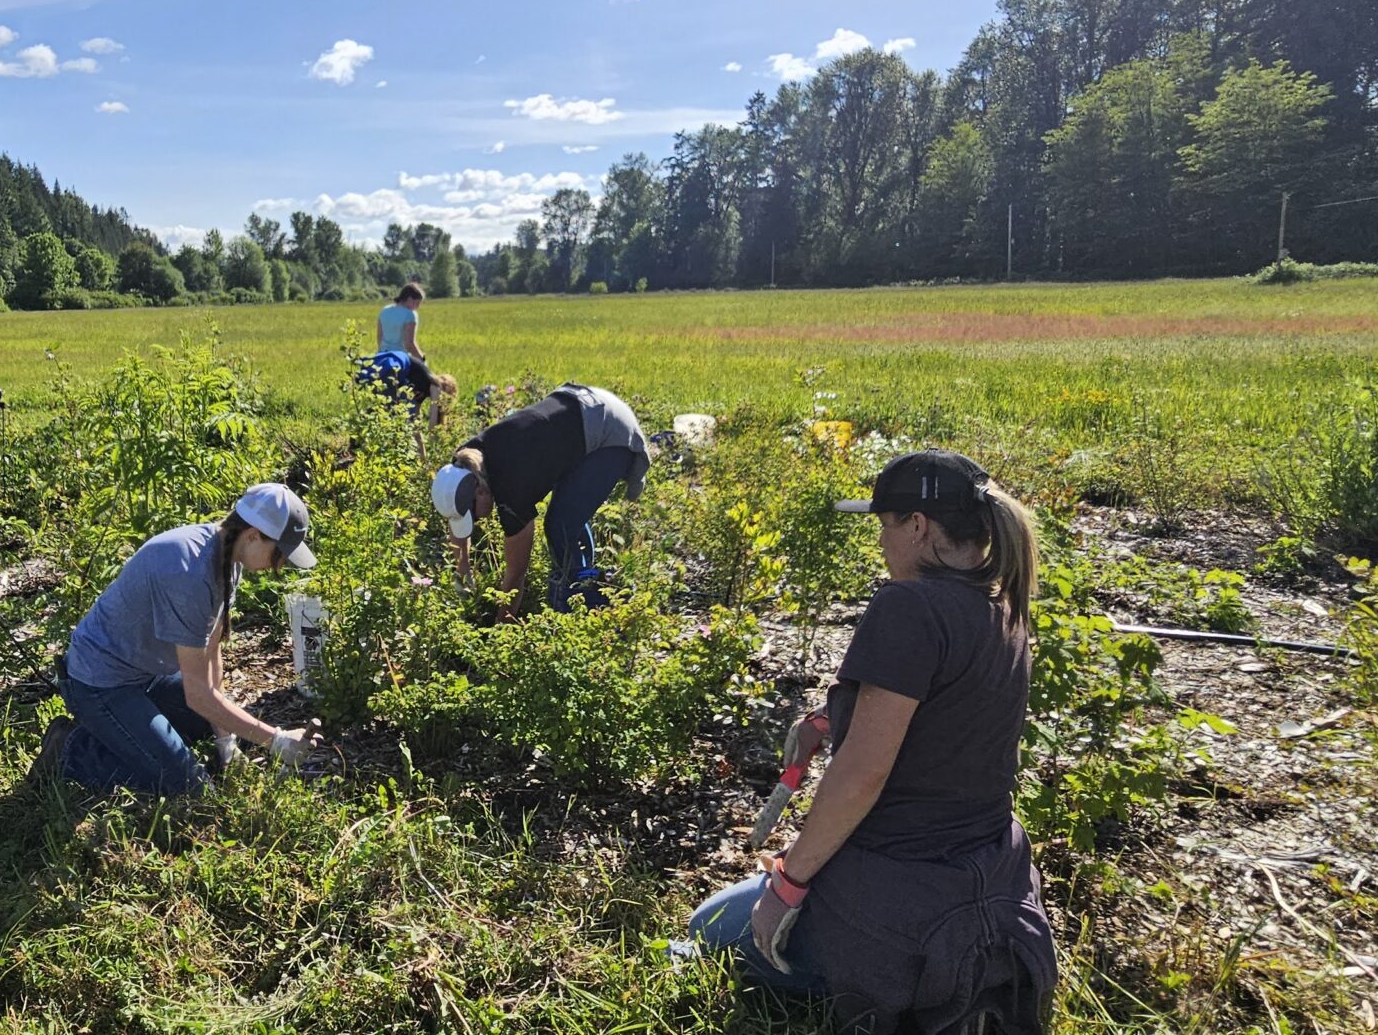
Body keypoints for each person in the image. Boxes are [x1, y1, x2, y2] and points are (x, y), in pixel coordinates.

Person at [685, 450, 1057, 1034]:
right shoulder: (1002, 608)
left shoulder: (908, 606)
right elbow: (947, 715)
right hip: (988, 879)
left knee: (708, 928)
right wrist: (834, 719)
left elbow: (862, 775)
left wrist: (789, 883)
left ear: (918, 526)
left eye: (885, 525)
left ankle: (869, 976)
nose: (881, 542)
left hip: (899, 892)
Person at [33, 483, 325, 796]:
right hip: (98, 684)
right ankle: (71, 750)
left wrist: (226, 742)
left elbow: (211, 652)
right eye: (279, 553)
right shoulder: (189, 571)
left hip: (145, 675)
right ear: (253, 535)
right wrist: (276, 740)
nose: (279, 565)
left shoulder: (229, 556)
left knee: (224, 731)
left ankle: (136, 732)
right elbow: (198, 695)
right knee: (187, 787)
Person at [428, 383, 647, 615]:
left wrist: (502, 632)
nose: (477, 522)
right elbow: (458, 510)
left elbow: (516, 574)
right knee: (568, 513)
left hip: (607, 428)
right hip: (579, 408)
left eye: (473, 516)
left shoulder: (512, 487)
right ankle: (582, 578)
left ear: (480, 492)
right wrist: (463, 574)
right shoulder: (466, 460)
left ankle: (577, 600)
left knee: (561, 524)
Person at [353, 350, 458, 427]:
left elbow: (415, 413)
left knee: (383, 409)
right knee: (390, 412)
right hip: (394, 369)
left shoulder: (424, 387)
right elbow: (432, 422)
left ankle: (360, 428)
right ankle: (361, 430)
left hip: (390, 368)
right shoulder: (435, 386)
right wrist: (431, 444)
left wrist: (415, 425)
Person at [377, 283, 426, 360]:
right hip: (400, 358)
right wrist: (422, 358)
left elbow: (379, 338)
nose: (418, 307)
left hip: (382, 355)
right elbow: (409, 344)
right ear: (409, 299)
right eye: (417, 303)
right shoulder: (410, 314)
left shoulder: (384, 310)